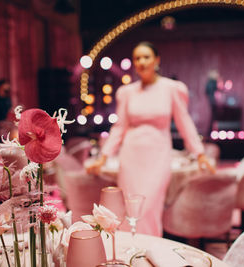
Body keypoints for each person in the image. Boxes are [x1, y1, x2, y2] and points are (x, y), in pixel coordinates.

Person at [87, 41, 211, 237]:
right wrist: (103, 157)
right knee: (131, 210)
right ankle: (132, 255)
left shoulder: (171, 88)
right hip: (131, 157)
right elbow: (119, 127)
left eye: (146, 57)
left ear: (156, 60)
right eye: (137, 58)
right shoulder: (127, 92)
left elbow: (184, 122)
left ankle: (150, 254)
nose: (142, 62)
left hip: (158, 156)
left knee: (149, 209)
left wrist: (200, 153)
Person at [205, 70, 220, 134]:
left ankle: (211, 130)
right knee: (214, 117)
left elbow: (206, 92)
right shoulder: (213, 83)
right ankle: (211, 130)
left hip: (211, 101)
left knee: (213, 117)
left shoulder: (209, 83)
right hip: (214, 102)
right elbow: (218, 90)